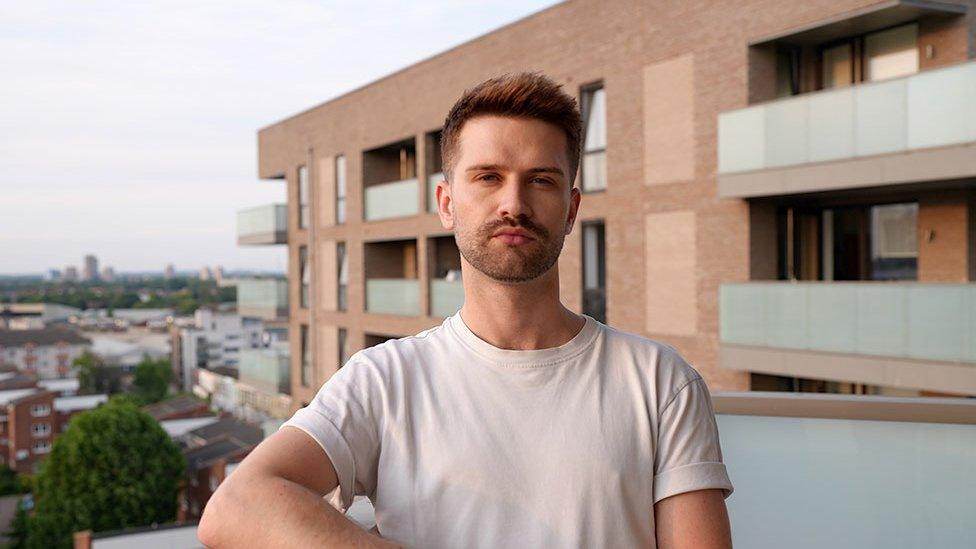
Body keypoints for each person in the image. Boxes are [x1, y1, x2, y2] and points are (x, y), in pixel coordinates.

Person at [199, 72, 733, 548]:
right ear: (446, 204)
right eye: (487, 177)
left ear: (571, 210)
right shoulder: (385, 380)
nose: (514, 203)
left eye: (541, 180)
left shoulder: (661, 382)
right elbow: (236, 506)